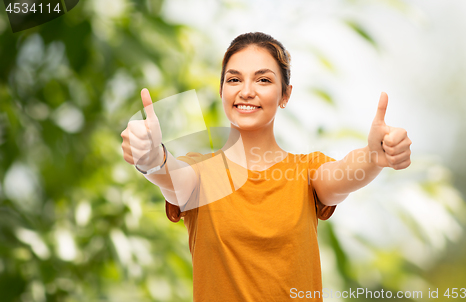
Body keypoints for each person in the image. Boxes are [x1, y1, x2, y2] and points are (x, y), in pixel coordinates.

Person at [120, 32, 411, 301]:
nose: (246, 91)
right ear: (221, 90)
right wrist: (152, 157)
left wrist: (373, 157)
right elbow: (172, 177)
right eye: (234, 80)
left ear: (285, 94)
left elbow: (343, 173)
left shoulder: (306, 172)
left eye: (263, 80)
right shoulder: (200, 175)